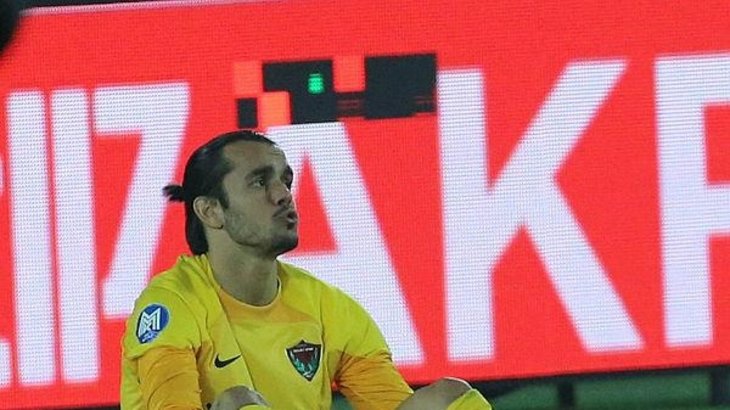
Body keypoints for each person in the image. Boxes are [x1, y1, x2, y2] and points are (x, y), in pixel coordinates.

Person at [120, 130, 493, 409]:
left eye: (285, 180)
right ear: (210, 211)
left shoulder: (328, 308)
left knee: (449, 398)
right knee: (238, 403)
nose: (283, 194)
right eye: (260, 182)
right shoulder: (171, 305)